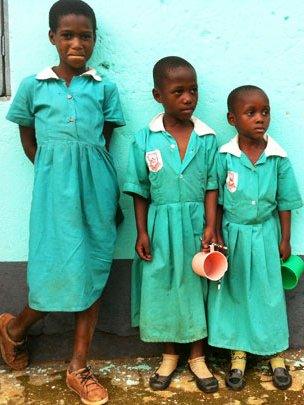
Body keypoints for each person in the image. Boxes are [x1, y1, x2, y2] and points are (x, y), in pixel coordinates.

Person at [0, 1, 125, 403]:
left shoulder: (103, 86)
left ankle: (78, 367)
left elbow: (105, 137)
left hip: (97, 188)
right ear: (52, 37)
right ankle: (15, 329)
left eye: (85, 36)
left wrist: (101, 186)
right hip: (54, 193)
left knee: (92, 269)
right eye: (67, 35)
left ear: (94, 40)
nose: (76, 43)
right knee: (55, 270)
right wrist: (52, 170)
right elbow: (27, 135)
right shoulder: (33, 85)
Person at [123, 56, 219, 393]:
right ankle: (169, 355)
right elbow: (139, 189)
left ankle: (197, 356)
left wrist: (211, 226)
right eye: (178, 91)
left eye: (193, 90)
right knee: (161, 285)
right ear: (157, 95)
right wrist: (142, 231)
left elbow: (211, 185)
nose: (188, 98)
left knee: (196, 287)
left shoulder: (207, 138)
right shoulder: (145, 138)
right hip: (160, 224)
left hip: (196, 224)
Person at [208, 85, 302, 391]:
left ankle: (275, 354)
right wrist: (217, 230)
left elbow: (286, 202)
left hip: (265, 234)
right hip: (233, 235)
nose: (260, 118)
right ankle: (238, 355)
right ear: (232, 119)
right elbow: (217, 199)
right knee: (236, 292)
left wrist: (285, 239)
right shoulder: (225, 157)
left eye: (265, 112)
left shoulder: (277, 158)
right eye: (251, 113)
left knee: (268, 292)